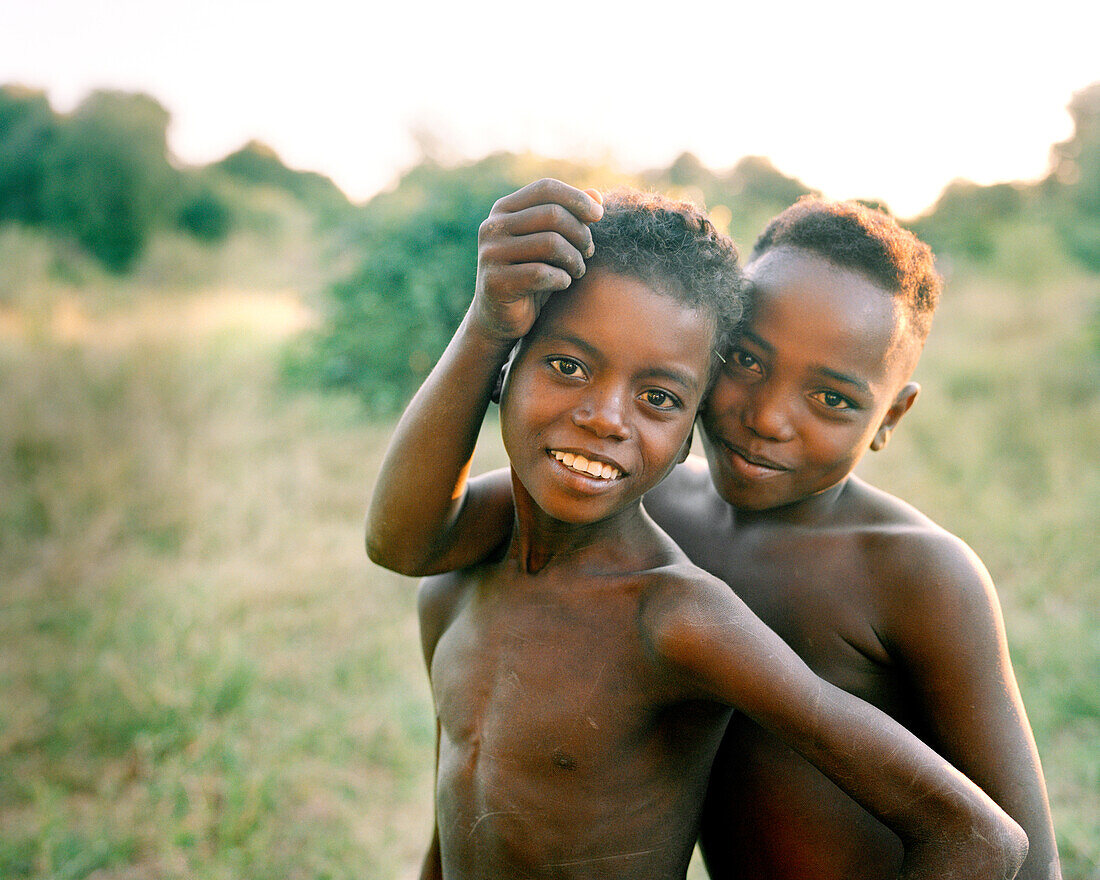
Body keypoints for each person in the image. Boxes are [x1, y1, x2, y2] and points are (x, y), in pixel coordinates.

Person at [367, 179, 1060, 879]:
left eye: (831, 397)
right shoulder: (647, 505)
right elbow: (409, 541)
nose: (767, 417)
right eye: (747, 361)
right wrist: (489, 320)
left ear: (891, 417)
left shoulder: (919, 573)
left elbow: (1014, 852)